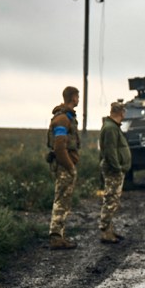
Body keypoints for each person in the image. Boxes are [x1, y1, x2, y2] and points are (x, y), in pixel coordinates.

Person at [47, 86, 81, 250]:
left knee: (64, 201)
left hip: (65, 166)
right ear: (73, 97)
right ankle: (55, 237)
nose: (78, 99)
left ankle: (59, 236)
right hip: (64, 167)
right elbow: (60, 147)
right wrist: (69, 167)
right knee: (61, 201)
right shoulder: (62, 119)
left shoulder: (67, 117)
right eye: (77, 96)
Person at [98, 101, 132, 244]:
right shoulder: (111, 128)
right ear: (121, 112)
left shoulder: (112, 127)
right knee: (111, 200)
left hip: (115, 169)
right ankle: (105, 231)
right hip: (113, 170)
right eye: (124, 111)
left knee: (113, 199)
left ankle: (109, 229)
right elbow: (110, 151)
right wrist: (117, 168)